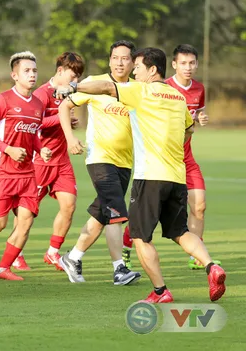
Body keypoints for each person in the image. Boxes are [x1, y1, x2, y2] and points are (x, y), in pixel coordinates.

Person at [55, 47, 226, 303]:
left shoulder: (142, 90)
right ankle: (212, 266)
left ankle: (160, 291)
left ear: (152, 70)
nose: (134, 71)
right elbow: (189, 131)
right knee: (181, 231)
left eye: (138, 67)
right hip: (177, 177)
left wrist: (74, 87)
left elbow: (105, 87)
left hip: (150, 177)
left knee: (139, 237)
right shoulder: (179, 97)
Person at [122, 44, 221, 271]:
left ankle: (197, 260)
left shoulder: (198, 89)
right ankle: (128, 247)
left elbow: (192, 120)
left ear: (197, 64)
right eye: (183, 63)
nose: (188, 67)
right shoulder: (158, 87)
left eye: (192, 63)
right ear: (173, 65)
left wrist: (200, 118)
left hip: (184, 158)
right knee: (150, 219)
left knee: (200, 206)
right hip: (161, 160)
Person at [56, 41, 141, 285]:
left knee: (102, 214)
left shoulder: (137, 89)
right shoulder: (95, 83)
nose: (119, 62)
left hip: (125, 162)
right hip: (99, 158)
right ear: (110, 60)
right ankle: (119, 269)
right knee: (116, 213)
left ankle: (72, 257)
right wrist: (70, 137)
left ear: (133, 62)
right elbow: (65, 105)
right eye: (115, 57)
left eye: (125, 58)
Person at [0, 51, 52, 280]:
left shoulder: (37, 104)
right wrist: (8, 149)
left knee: (26, 221)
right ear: (14, 75)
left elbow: (32, 134)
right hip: (2, 174)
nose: (32, 75)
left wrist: (39, 147)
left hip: (27, 175)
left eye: (34, 70)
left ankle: (3, 268)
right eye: (26, 71)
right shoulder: (3, 100)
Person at [32, 52, 84, 270]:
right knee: (27, 211)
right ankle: (15, 255)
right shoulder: (41, 94)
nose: (76, 81)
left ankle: (53, 252)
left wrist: (69, 123)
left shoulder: (68, 94)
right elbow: (33, 123)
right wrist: (60, 119)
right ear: (60, 70)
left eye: (78, 77)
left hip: (61, 161)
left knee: (69, 205)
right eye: (73, 76)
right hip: (40, 160)